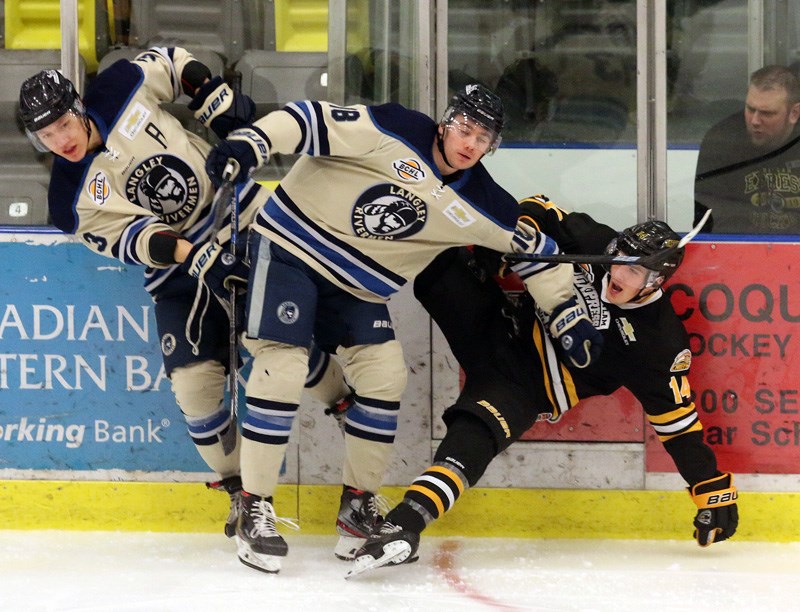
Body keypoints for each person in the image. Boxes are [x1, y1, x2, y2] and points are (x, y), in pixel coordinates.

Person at [203, 84, 604, 573]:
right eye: (465, 128)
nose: (470, 143)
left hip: (358, 289)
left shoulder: (482, 201)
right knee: (282, 367)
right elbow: (309, 119)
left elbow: (534, 250)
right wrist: (253, 143)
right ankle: (254, 504)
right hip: (290, 251)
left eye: (484, 138)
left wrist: (567, 311)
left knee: (385, 377)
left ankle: (357, 506)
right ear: (446, 120)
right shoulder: (394, 127)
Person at [17, 49, 351, 544]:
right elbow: (136, 239)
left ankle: (348, 407)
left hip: (243, 215)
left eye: (64, 124)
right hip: (177, 271)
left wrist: (214, 98)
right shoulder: (69, 201)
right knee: (194, 390)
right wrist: (195, 256)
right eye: (46, 136)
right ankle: (242, 491)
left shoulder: (119, 86)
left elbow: (172, 62)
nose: (60, 140)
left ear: (79, 106)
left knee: (282, 345)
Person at [348, 195, 739, 577]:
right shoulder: (595, 243)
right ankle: (340, 277)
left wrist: (709, 487)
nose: (618, 272)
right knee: (440, 260)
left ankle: (404, 523)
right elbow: (539, 206)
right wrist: (507, 242)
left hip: (523, 388)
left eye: (635, 271)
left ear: (656, 281)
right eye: (620, 257)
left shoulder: (659, 343)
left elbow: (678, 425)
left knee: (474, 434)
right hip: (497, 328)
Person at [694, 64, 800, 233]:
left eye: (767, 113)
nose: (755, 121)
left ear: (794, 113)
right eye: (750, 109)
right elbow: (709, 221)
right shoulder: (722, 140)